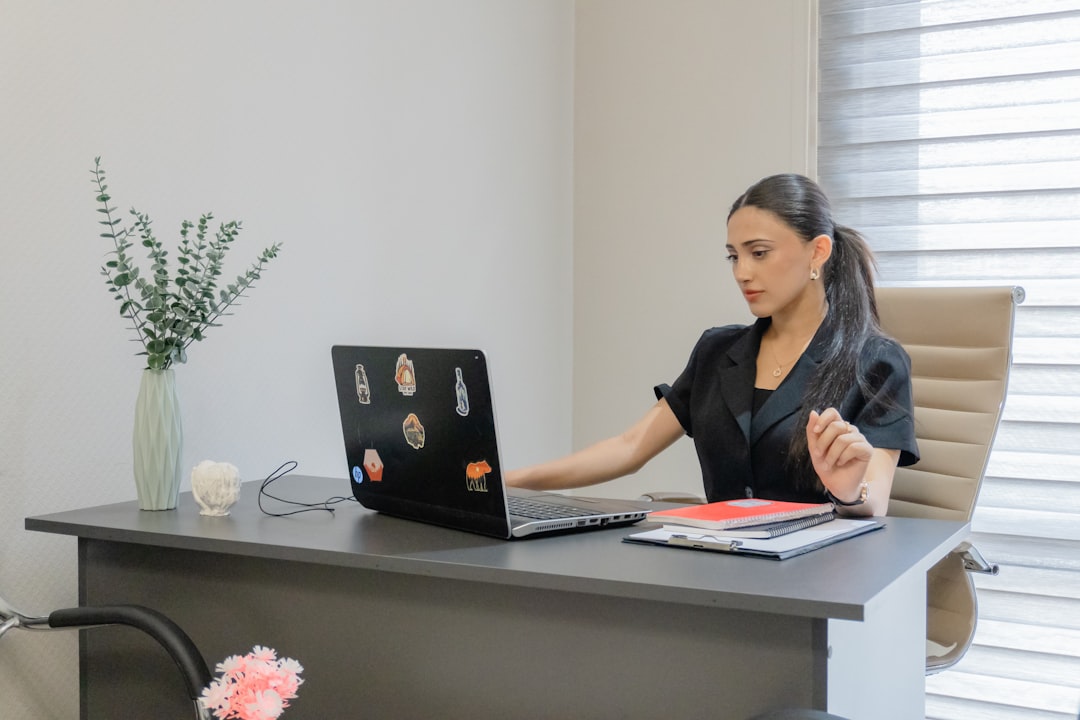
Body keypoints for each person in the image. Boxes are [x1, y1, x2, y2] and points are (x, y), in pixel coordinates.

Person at [506, 173, 919, 517]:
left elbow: (874, 501)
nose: (742, 272)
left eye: (758, 253)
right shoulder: (717, 352)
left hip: (815, 580)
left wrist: (848, 491)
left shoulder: (876, 362)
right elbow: (629, 447)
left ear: (818, 252)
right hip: (719, 569)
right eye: (733, 257)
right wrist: (508, 483)